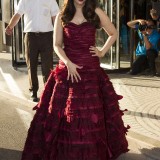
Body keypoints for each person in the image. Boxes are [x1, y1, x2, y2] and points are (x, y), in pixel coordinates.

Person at [21, 0, 129, 159]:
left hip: (91, 71)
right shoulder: (62, 15)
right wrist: (68, 63)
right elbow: (57, 45)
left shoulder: (95, 11)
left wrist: (102, 51)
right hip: (69, 71)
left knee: (91, 115)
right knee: (69, 114)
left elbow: (113, 33)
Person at [5, 0, 59, 102]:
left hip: (47, 36)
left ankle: (48, 92)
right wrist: (10, 26)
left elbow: (55, 17)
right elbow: (18, 14)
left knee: (47, 66)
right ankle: (33, 91)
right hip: (30, 37)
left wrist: (59, 34)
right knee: (31, 65)